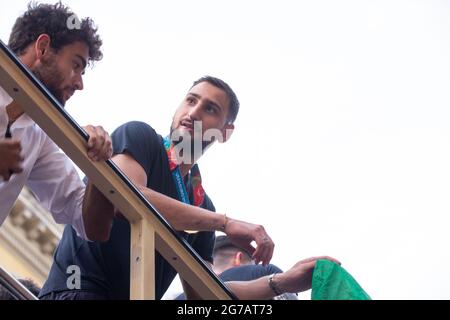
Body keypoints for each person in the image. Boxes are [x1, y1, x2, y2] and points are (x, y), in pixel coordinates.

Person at [40, 76, 338, 300]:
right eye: (191, 100)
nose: (193, 112)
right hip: (75, 292)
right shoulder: (142, 137)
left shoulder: (201, 206)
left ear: (224, 132)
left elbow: (204, 294)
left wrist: (283, 282)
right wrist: (224, 222)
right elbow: (124, 197)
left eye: (209, 108)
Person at [0, 2, 115, 241]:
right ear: (42, 48)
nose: (79, 84)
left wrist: (97, 163)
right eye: (76, 65)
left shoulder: (38, 135)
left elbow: (92, 227)